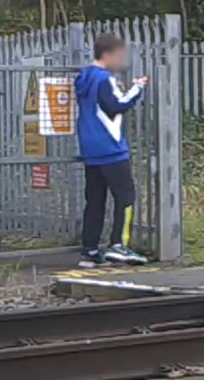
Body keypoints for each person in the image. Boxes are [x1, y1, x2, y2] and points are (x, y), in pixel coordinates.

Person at [75, 33, 150, 268]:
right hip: (111, 148)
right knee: (125, 196)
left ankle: (90, 249)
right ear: (108, 54)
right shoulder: (104, 79)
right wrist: (137, 88)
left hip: (90, 148)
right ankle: (119, 244)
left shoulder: (84, 78)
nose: (121, 60)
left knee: (95, 200)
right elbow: (117, 105)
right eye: (119, 55)